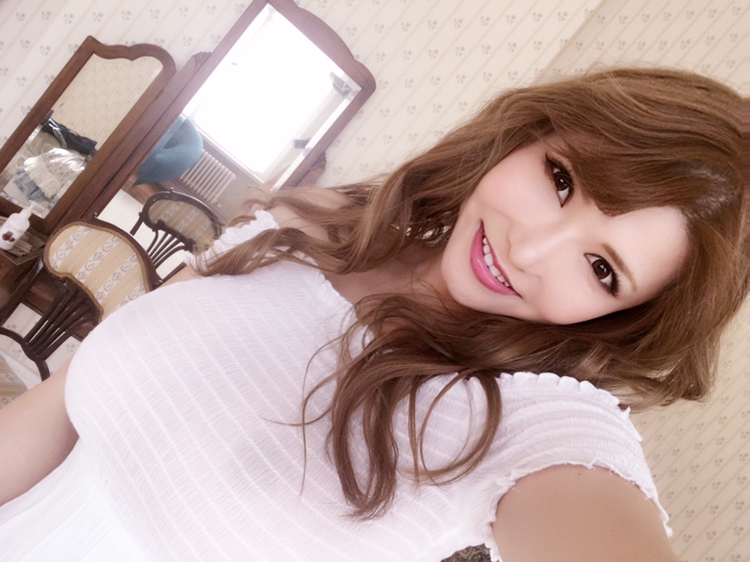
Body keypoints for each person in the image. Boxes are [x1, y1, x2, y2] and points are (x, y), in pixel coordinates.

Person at [0, 68, 746, 562]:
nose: (529, 249)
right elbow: (65, 406)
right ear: (528, 135)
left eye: (602, 269)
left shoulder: (536, 422)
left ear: (628, 318)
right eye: (560, 179)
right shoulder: (307, 226)